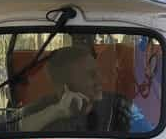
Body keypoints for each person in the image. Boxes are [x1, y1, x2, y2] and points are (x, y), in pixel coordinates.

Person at [20, 45, 154, 134]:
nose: (101, 80)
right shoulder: (41, 108)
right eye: (91, 75)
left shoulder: (119, 105)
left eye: (98, 72)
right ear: (64, 84)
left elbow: (148, 137)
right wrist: (57, 111)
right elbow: (17, 130)